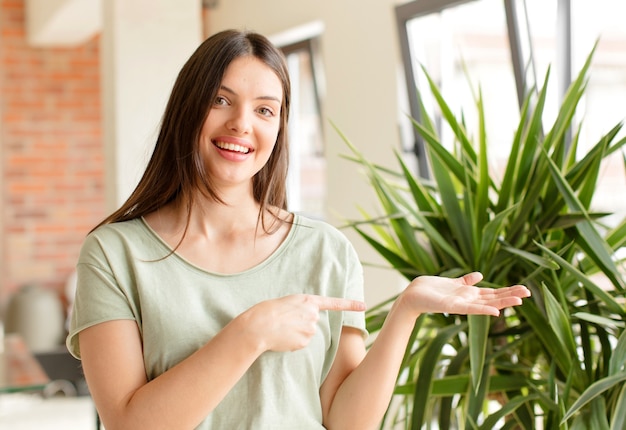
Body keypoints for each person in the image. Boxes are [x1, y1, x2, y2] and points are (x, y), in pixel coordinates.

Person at [66, 29, 531, 430]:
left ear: (281, 127)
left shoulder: (325, 250)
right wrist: (250, 333)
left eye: (265, 110)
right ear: (188, 109)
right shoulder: (114, 254)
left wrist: (406, 311)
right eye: (221, 100)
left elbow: (345, 419)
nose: (241, 124)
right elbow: (129, 423)